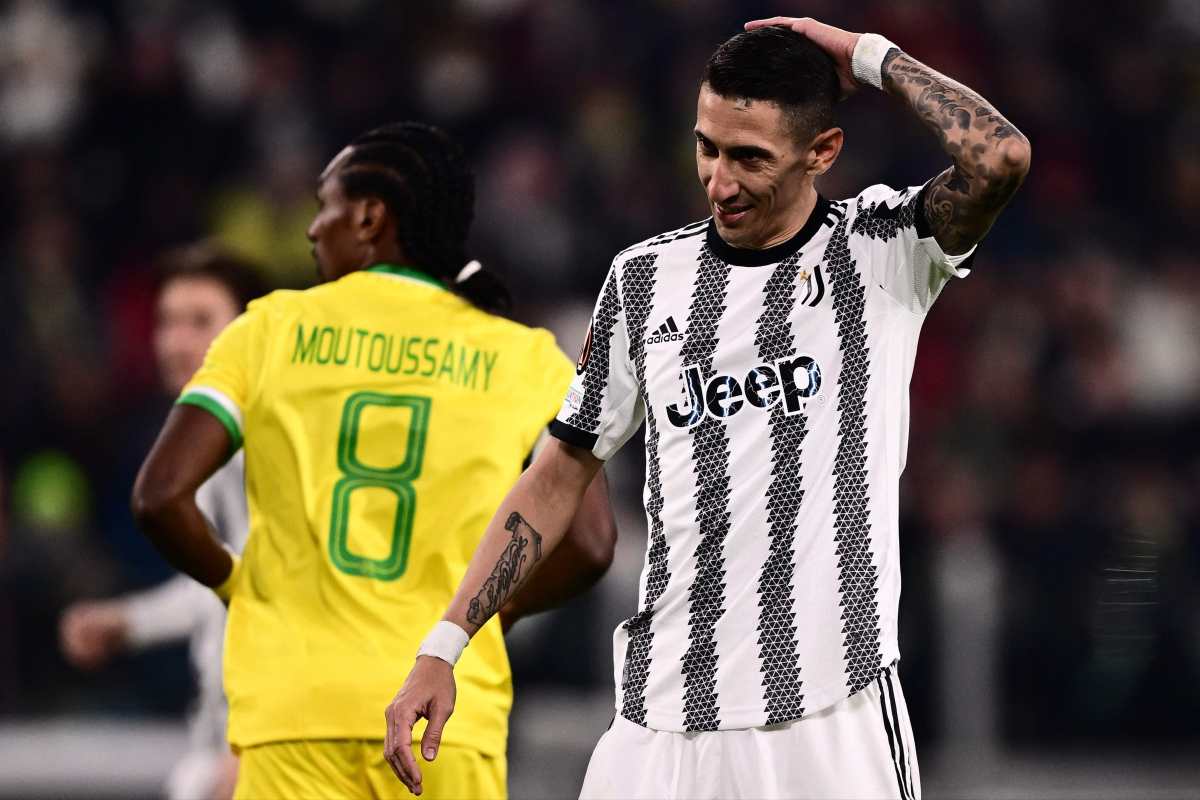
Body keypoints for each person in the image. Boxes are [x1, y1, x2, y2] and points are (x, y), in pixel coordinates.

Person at [386, 17, 1030, 800]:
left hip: (827, 715)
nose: (720, 182)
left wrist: (866, 55)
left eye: (750, 157)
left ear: (823, 150)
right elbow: (557, 474)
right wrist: (445, 644)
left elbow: (1000, 158)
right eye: (707, 148)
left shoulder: (881, 249)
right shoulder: (644, 280)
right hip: (660, 719)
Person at [130, 122, 617, 800]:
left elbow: (159, 497)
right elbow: (591, 545)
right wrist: (489, 613)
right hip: (449, 716)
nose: (312, 229)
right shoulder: (526, 357)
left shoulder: (268, 330)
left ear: (368, 218)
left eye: (324, 206)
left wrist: (239, 588)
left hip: (295, 714)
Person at [60, 243, 266, 800]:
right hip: (226, 733)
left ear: (250, 333)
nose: (176, 341)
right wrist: (126, 622)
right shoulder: (213, 438)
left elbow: (292, 596)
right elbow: (228, 583)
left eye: (200, 321)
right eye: (167, 321)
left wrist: (252, 749)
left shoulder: (267, 443)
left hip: (267, 739)